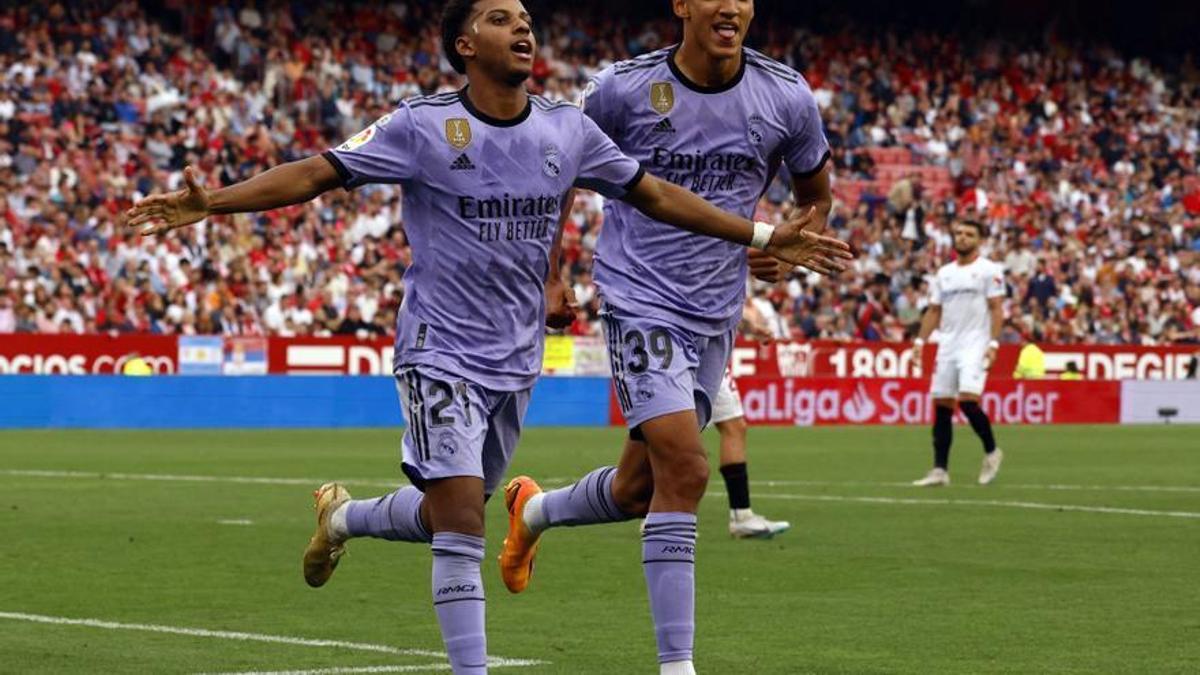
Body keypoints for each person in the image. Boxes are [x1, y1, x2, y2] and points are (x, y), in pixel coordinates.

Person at [125, 2, 852, 673]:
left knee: (470, 505)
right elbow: (319, 172)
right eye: (502, 19)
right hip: (444, 343)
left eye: (527, 18)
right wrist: (212, 203)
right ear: (466, 46)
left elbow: (655, 193)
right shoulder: (420, 126)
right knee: (481, 513)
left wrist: (764, 234)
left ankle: (347, 515)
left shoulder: (566, 128)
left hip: (518, 353)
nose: (524, 28)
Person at [495, 2, 840, 672]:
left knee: (637, 490)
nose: (732, 6)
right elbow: (558, 173)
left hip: (716, 311)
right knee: (686, 468)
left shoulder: (786, 95)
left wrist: (790, 240)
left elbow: (815, 194)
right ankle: (676, 664)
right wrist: (550, 271)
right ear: (682, 4)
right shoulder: (623, 90)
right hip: (638, 298)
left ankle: (533, 511)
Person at [910, 220, 1005, 487]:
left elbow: (996, 308)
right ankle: (940, 470)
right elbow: (934, 311)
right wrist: (920, 342)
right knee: (942, 405)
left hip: (975, 342)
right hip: (948, 343)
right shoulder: (944, 273)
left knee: (967, 400)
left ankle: (992, 451)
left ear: (979, 240)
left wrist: (994, 343)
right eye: (959, 233)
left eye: (969, 234)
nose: (962, 238)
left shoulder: (989, 270)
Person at [710, 368, 790, 538]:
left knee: (734, 426)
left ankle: (742, 516)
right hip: (688, 350)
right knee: (677, 427)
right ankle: (658, 515)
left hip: (712, 353)